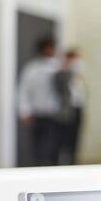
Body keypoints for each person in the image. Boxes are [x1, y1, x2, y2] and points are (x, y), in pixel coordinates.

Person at [17, 37, 63, 166]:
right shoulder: (32, 68)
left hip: (56, 114)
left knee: (56, 147)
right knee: (38, 147)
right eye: (48, 47)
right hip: (38, 113)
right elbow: (24, 90)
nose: (51, 50)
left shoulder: (59, 66)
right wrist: (25, 111)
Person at [53, 48, 87, 165]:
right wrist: (66, 68)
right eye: (75, 59)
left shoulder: (79, 77)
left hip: (78, 109)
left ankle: (72, 161)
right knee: (62, 139)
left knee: (75, 139)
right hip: (65, 111)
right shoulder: (61, 74)